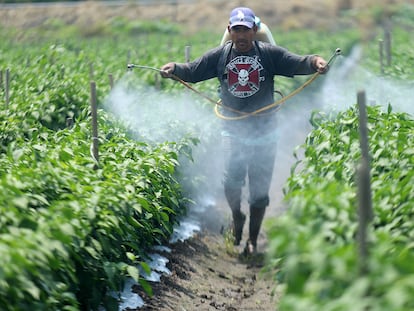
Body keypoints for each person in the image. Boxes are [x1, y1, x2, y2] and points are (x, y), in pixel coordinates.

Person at [160, 7, 328, 255]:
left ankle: (251, 239)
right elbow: (192, 71)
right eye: (236, 29)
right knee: (231, 181)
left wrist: (316, 62)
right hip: (233, 130)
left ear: (254, 31)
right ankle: (237, 216)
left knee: (260, 192)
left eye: (246, 29)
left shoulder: (269, 55)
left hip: (265, 132)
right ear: (230, 30)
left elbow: (298, 62)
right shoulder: (219, 56)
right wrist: (173, 68)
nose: (241, 35)